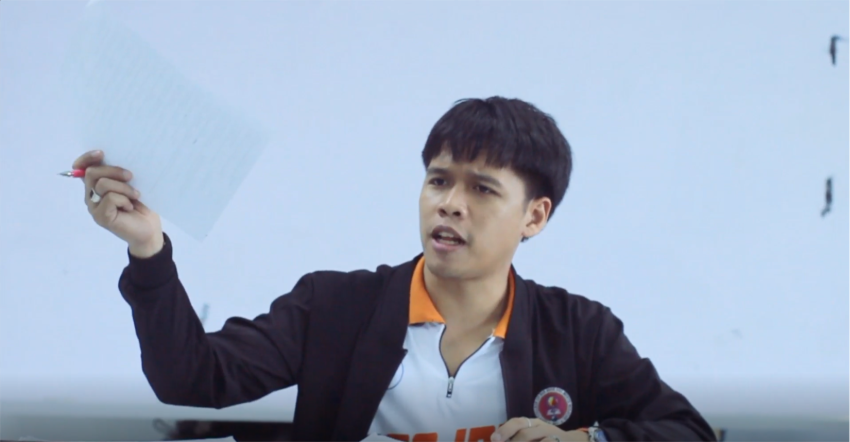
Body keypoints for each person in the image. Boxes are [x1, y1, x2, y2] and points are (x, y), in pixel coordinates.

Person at [74, 97, 716, 442]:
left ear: (535, 216)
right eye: (438, 180)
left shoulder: (578, 330)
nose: (449, 203)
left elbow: (688, 432)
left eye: (482, 189)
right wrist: (149, 249)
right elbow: (191, 377)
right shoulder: (334, 307)